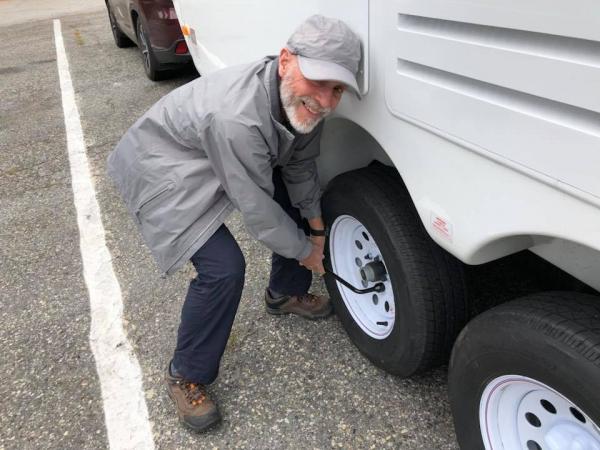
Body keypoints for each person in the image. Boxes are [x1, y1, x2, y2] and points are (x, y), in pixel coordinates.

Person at [107, 14, 362, 432]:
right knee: (223, 269)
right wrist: (308, 253)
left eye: (337, 89)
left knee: (293, 202)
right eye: (318, 81)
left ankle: (284, 293)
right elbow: (258, 210)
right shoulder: (236, 120)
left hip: (208, 153)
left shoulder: (305, 105)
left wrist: (316, 228)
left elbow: (299, 169)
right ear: (284, 61)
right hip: (161, 166)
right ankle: (185, 373)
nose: (326, 100)